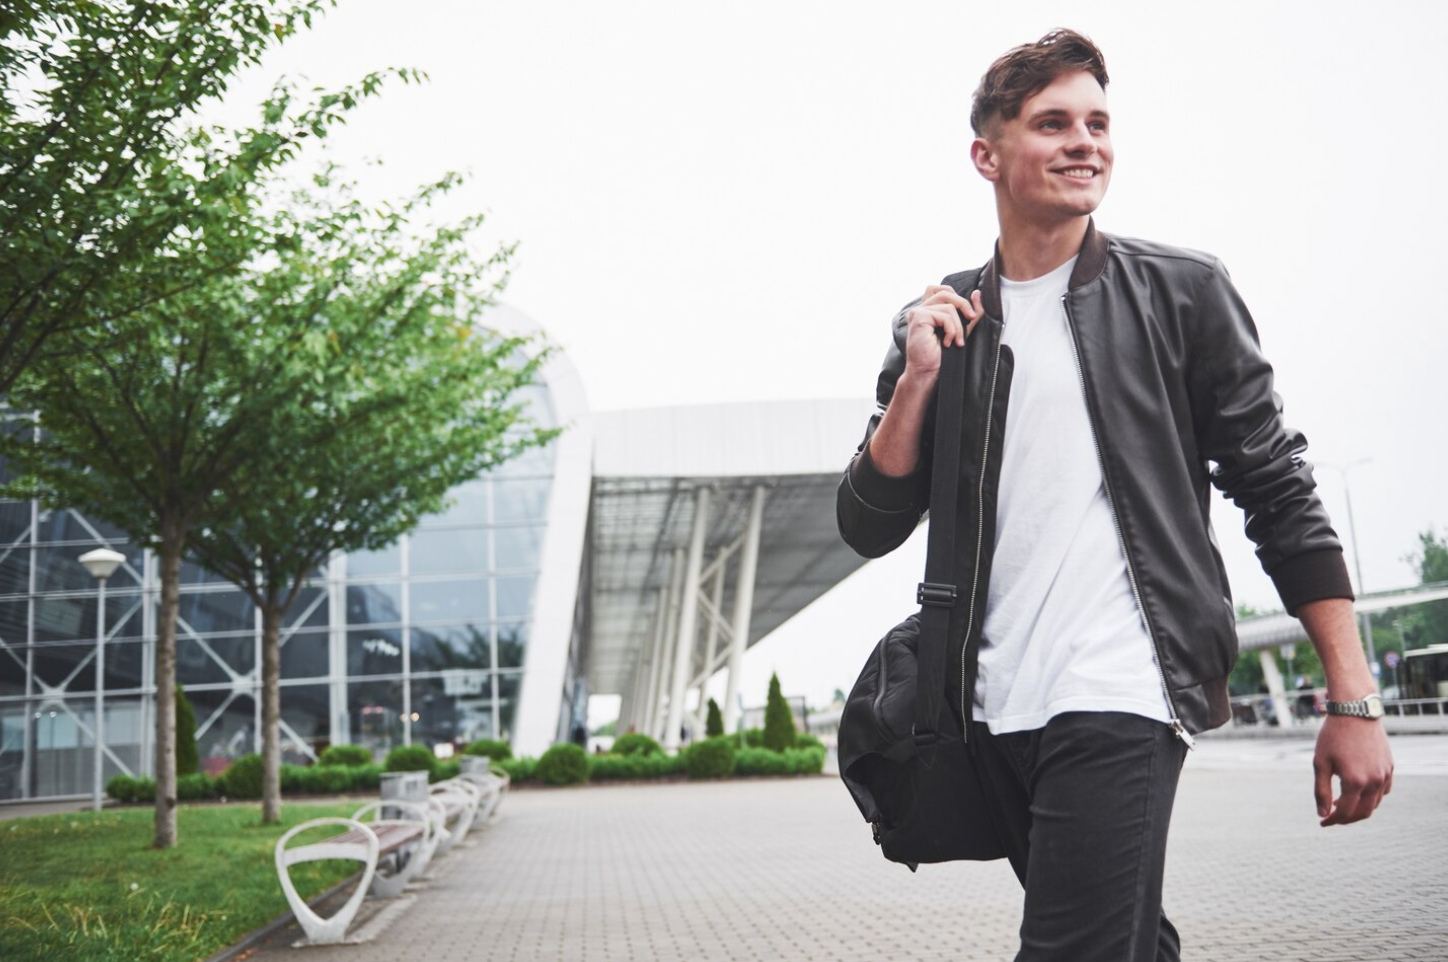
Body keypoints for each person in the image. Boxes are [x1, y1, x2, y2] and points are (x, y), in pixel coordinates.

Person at [835, 28, 1393, 962]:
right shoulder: (944, 325)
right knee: (1127, 942)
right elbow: (868, 522)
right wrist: (917, 382)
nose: (1084, 142)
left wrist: (1354, 695)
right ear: (988, 155)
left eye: (1097, 122)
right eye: (1053, 123)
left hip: (1122, 685)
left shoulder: (1181, 293)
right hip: (992, 703)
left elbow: (1276, 487)